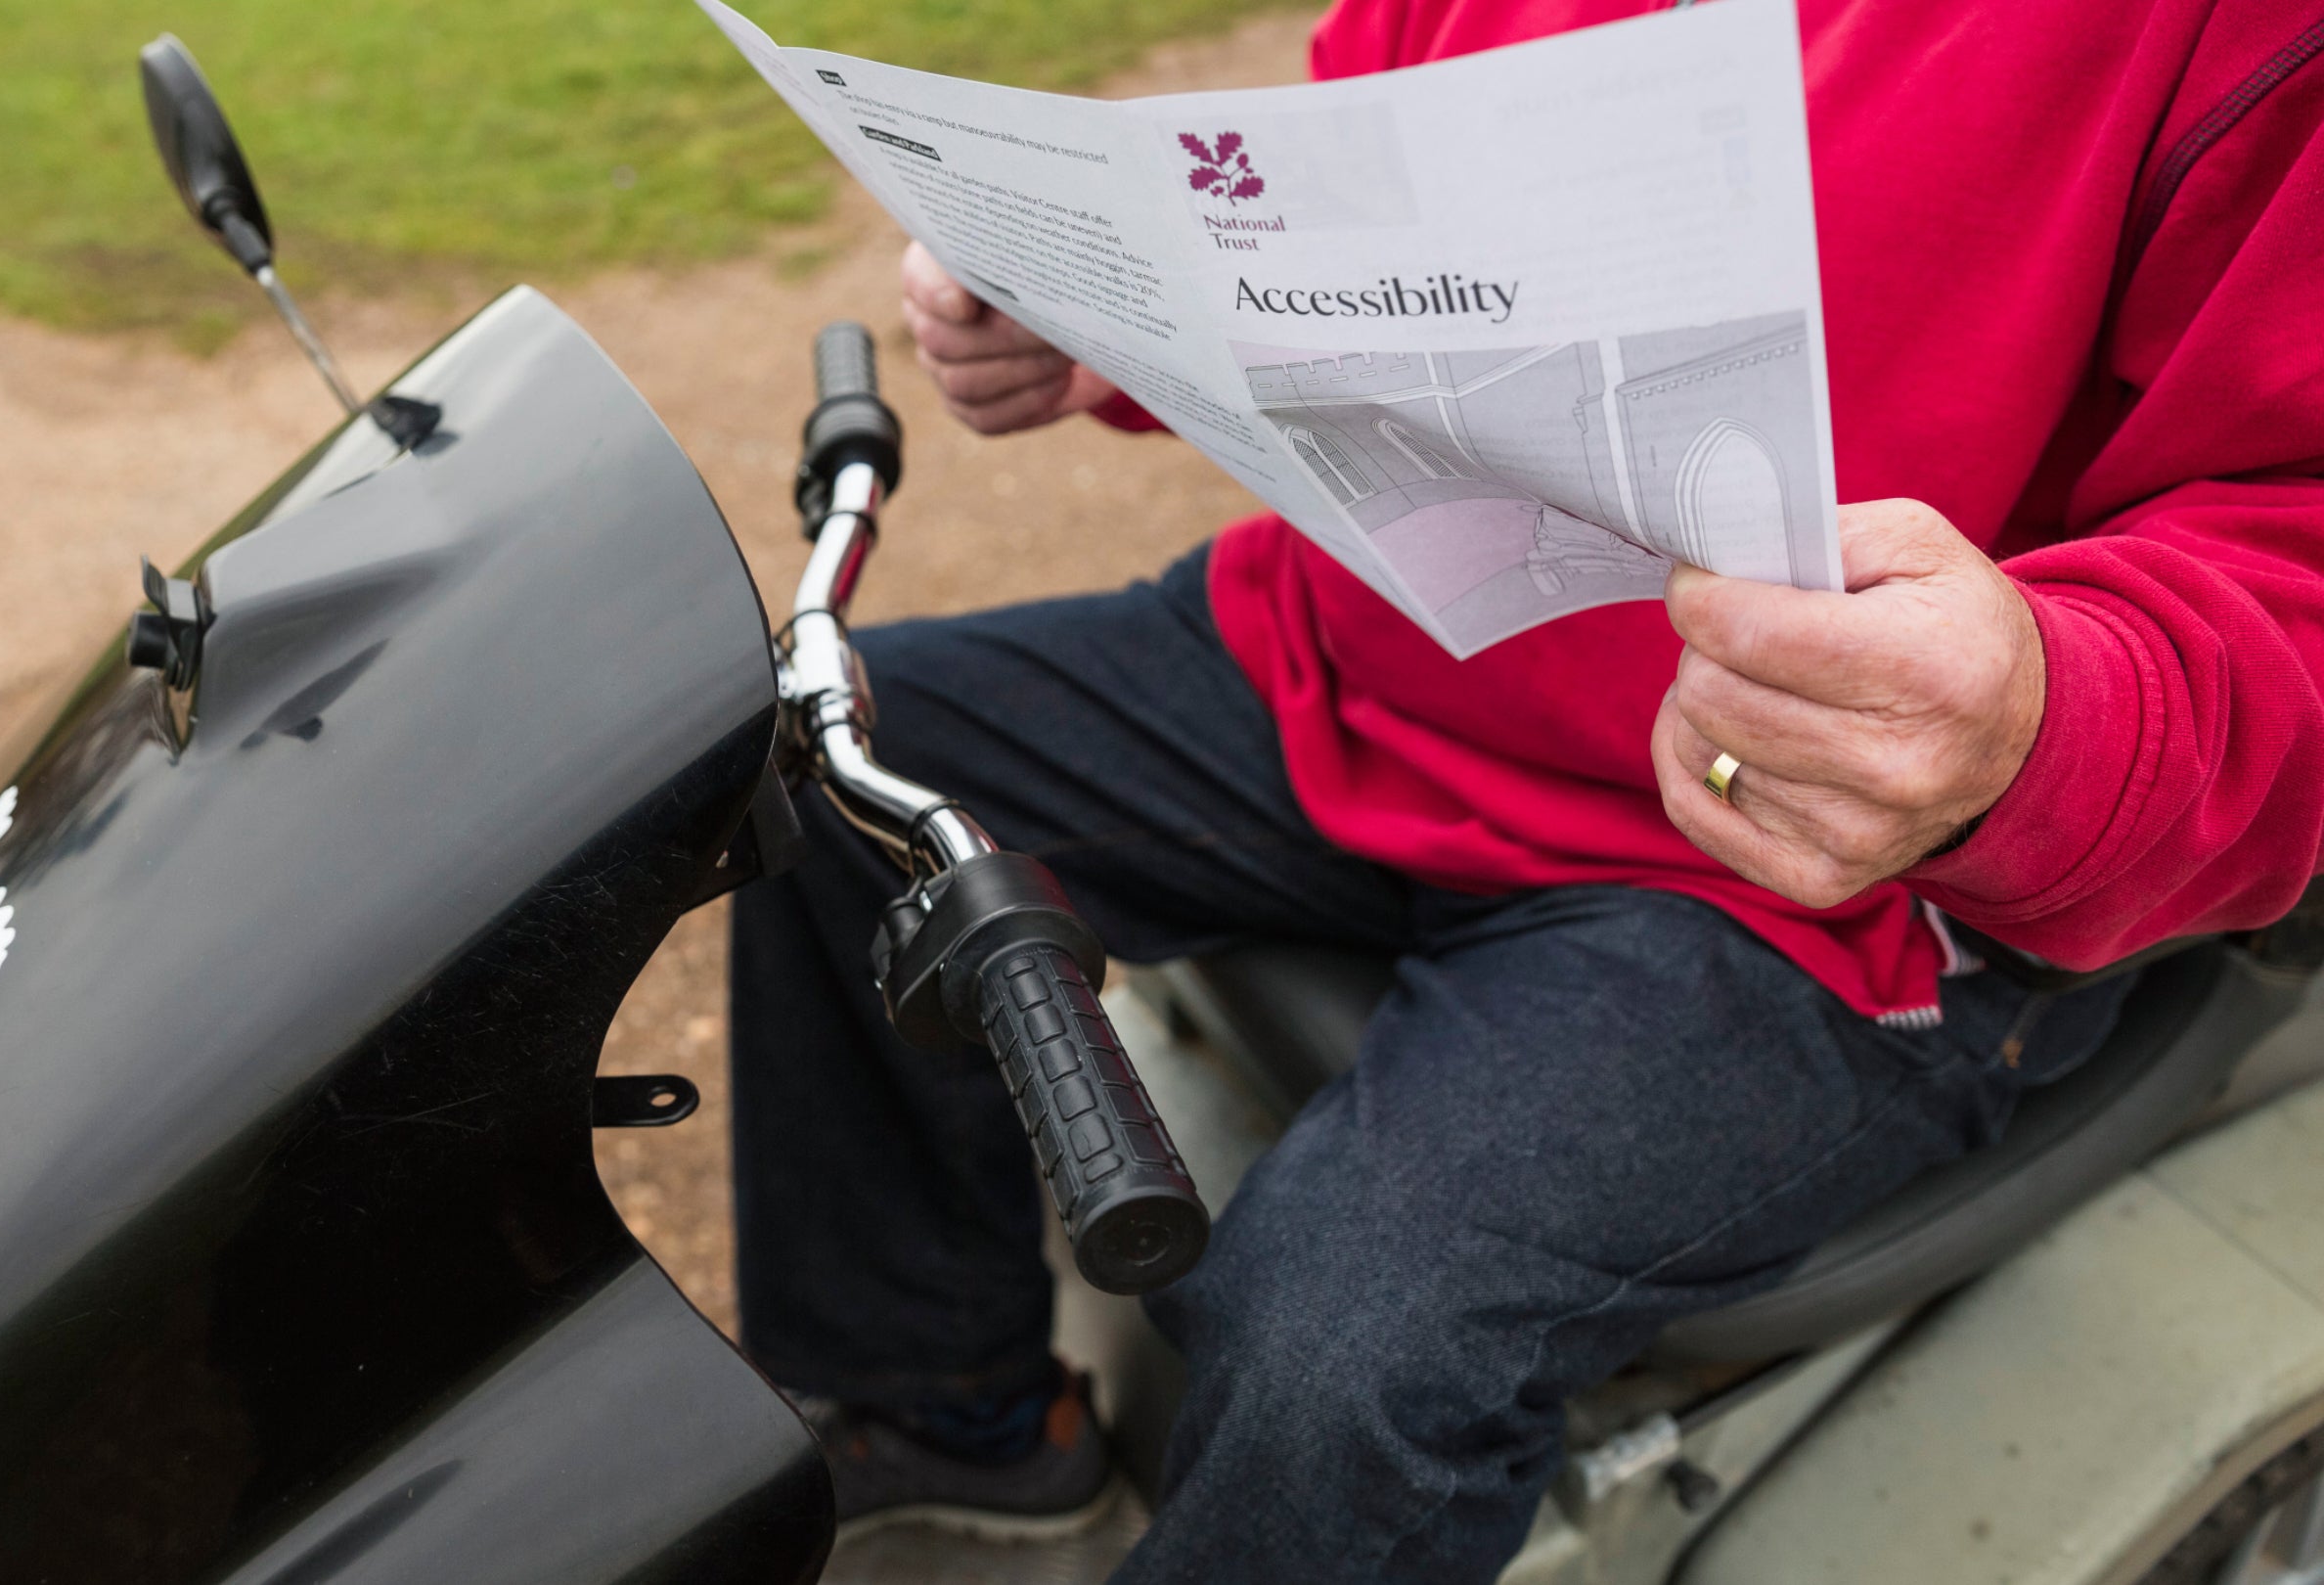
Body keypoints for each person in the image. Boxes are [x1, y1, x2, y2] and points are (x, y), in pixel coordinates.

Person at [728, 0, 2324, 1577]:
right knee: (823, 756)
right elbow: (1334, 197)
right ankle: (949, 1428)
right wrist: (1107, 309)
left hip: (1802, 879)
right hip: (1352, 654)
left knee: (1341, 1355)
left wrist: (2032, 726)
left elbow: (2294, 549)